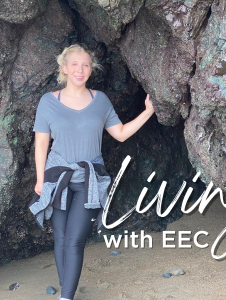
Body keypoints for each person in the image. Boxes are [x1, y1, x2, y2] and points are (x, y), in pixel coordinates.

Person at [32, 44, 155, 300]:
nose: (80, 69)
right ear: (64, 68)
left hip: (90, 180)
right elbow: (42, 143)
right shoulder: (48, 102)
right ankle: (67, 290)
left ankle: (66, 296)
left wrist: (148, 112)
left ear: (91, 70)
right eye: (74, 64)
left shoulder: (100, 101)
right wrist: (40, 180)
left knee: (75, 240)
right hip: (57, 178)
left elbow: (120, 134)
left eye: (85, 65)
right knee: (61, 238)